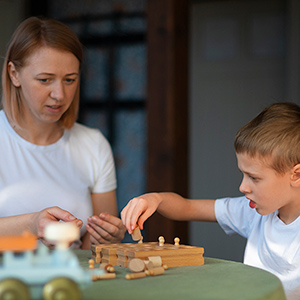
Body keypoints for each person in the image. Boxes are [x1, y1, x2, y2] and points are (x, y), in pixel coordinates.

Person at [121, 102, 300, 299]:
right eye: (243, 174)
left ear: (296, 175)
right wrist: (155, 199)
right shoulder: (251, 211)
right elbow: (188, 208)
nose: (242, 187)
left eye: (254, 178)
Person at [0, 16, 125, 249]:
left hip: (74, 283)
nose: (59, 94)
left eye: (70, 80)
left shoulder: (93, 145)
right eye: (45, 80)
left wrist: (107, 238)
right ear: (14, 74)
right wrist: (32, 224)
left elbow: (95, 249)